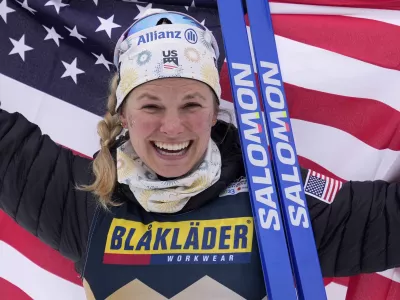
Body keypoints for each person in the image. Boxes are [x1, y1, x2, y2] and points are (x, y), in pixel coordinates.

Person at [1, 9, 400, 300]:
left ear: (214, 111)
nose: (172, 127)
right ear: (124, 114)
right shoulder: (88, 205)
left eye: (191, 104)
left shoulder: (279, 204)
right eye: (151, 106)